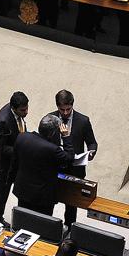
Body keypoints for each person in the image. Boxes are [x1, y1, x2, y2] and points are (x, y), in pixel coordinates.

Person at [52, 90, 98, 225]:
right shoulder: (50, 118)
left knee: (72, 205)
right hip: (56, 166)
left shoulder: (83, 121)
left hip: (75, 168)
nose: (65, 113)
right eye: (62, 110)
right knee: (50, 199)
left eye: (68, 109)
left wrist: (92, 151)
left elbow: (92, 142)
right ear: (57, 107)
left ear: (72, 105)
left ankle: (69, 228)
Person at [12, 114, 73, 215]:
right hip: (42, 197)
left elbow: (15, 162)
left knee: (22, 220)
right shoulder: (53, 149)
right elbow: (69, 158)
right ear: (53, 134)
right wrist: (66, 136)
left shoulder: (22, 137)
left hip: (23, 190)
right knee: (42, 225)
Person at [0, 91, 28, 221]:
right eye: (23, 110)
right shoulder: (2, 121)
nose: (26, 112)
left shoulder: (16, 112)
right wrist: (19, 149)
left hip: (12, 160)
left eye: (27, 108)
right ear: (13, 108)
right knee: (0, 191)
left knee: (9, 188)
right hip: (0, 164)